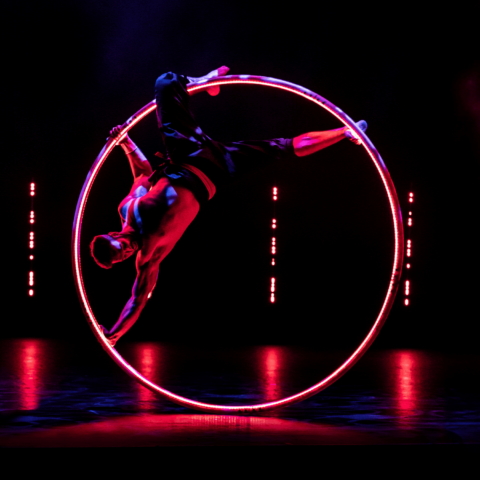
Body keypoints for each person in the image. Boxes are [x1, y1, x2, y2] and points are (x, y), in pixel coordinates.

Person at [90, 66, 367, 347]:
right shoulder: (148, 257)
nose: (127, 251)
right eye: (122, 257)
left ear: (113, 235)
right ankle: (345, 132)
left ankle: (202, 81)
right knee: (281, 148)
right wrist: (113, 335)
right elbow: (136, 302)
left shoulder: (128, 210)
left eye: (120, 248)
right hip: (216, 171)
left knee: (165, 81)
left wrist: (125, 142)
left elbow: (141, 172)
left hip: (188, 155)